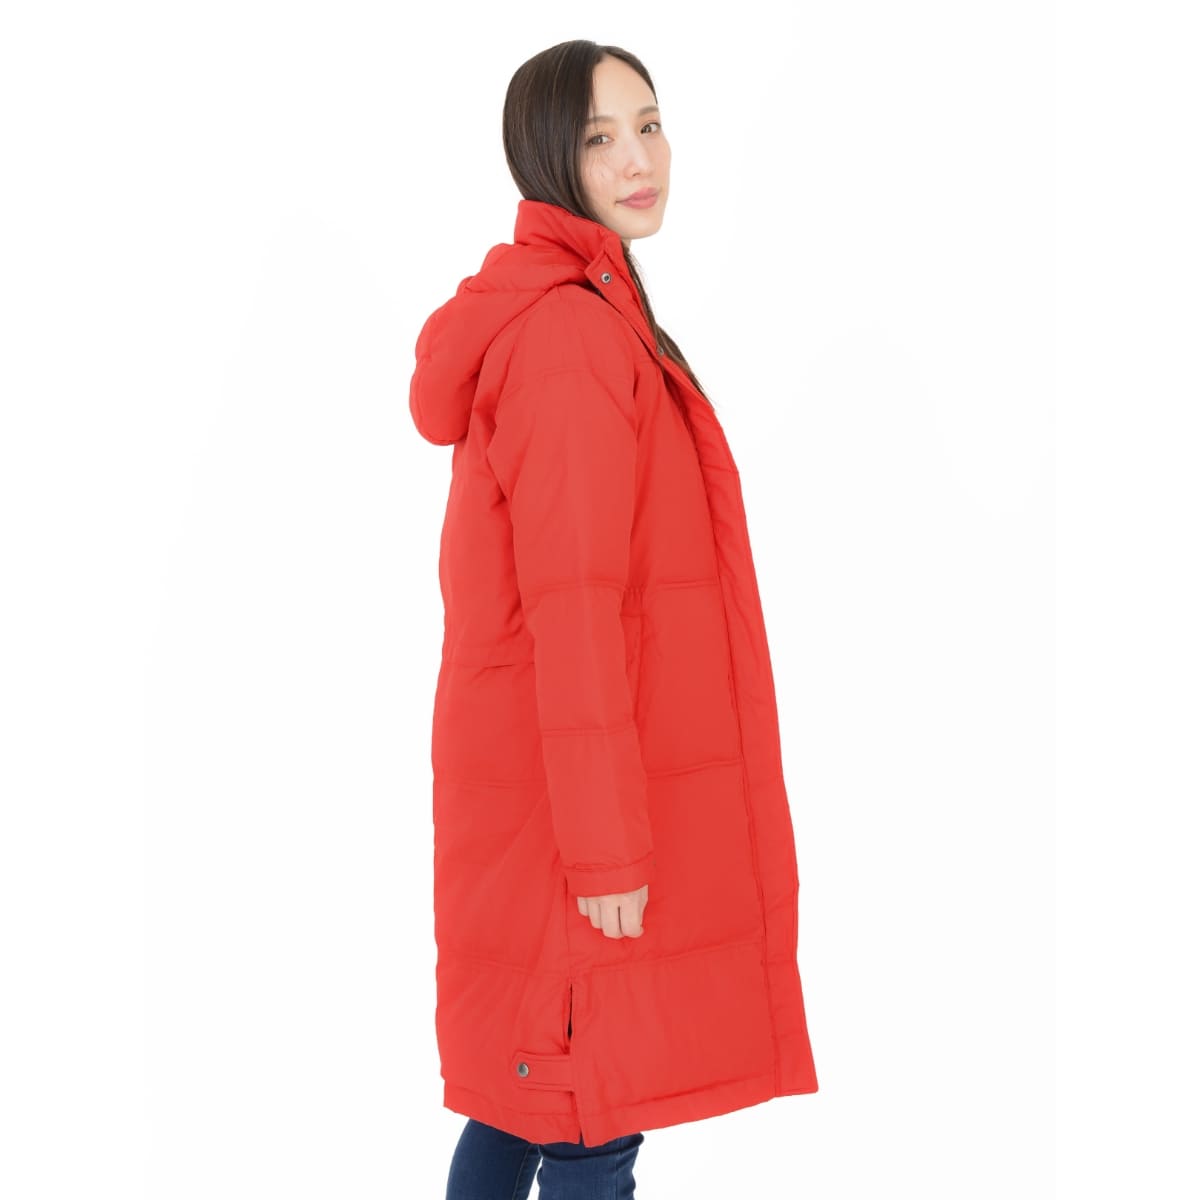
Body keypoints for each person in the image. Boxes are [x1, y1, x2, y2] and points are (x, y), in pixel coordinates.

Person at [409, 39, 818, 1200]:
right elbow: (574, 608)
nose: (639, 159)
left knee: (530, 1098)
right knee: (590, 1113)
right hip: (570, 817)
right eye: (600, 138)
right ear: (548, 157)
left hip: (557, 793)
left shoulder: (590, 310)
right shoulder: (570, 340)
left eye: (650, 124)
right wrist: (605, 852)